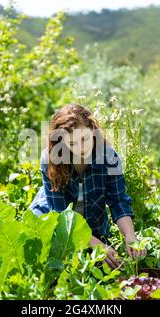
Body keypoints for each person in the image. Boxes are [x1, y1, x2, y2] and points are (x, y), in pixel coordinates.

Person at [29, 103, 147, 269]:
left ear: (92, 130)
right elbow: (61, 216)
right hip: (52, 225)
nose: (81, 148)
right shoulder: (50, 159)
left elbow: (118, 202)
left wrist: (130, 236)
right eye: (72, 143)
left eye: (84, 139)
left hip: (94, 228)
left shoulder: (108, 157)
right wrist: (97, 245)